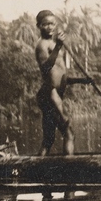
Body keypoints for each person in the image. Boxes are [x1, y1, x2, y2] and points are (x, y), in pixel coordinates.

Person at [34, 10, 74, 156]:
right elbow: (46, 68)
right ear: (39, 26)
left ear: (56, 24)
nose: (49, 27)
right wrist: (58, 47)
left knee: (48, 140)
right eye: (45, 24)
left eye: (52, 24)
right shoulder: (42, 46)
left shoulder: (55, 44)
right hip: (49, 93)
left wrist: (83, 81)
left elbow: (60, 75)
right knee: (69, 132)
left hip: (55, 93)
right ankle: (70, 170)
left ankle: (36, 168)